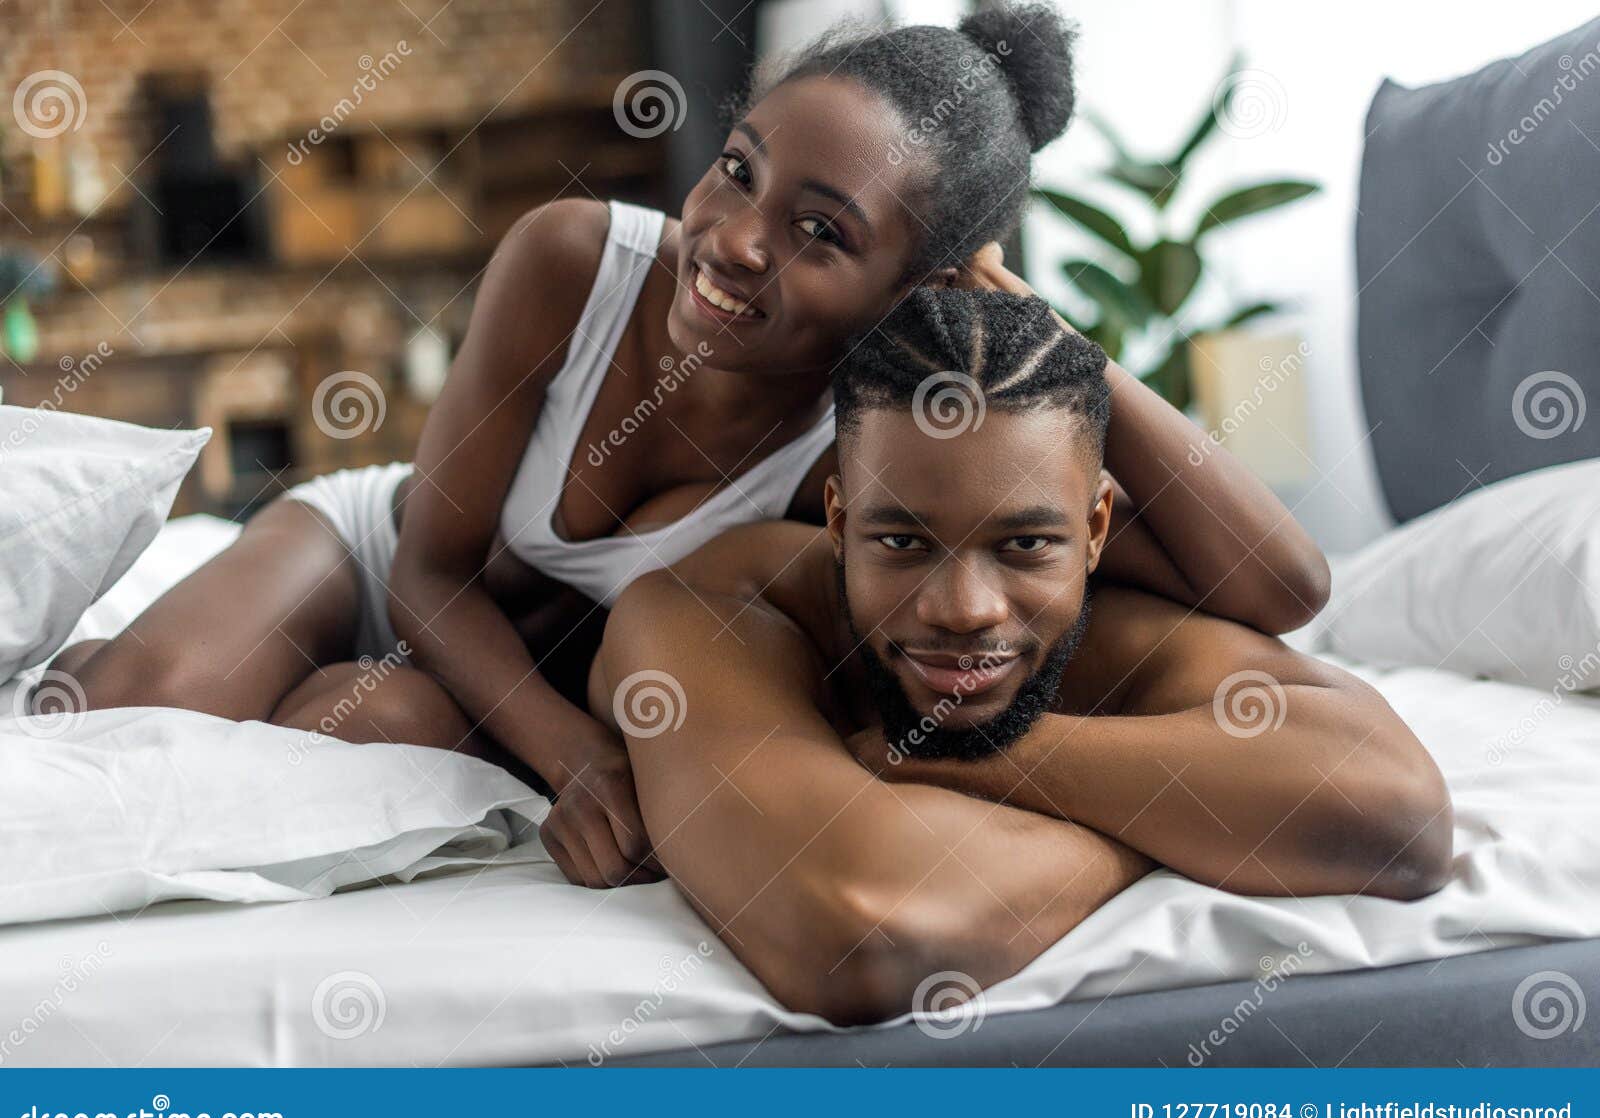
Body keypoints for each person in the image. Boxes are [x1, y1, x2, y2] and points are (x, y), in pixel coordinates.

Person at [40, 4, 1326, 885]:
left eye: (821, 234)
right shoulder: (572, 261)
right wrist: (578, 762)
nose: (732, 240)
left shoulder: (863, 453)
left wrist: (1053, 334)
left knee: (344, 737)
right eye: (737, 169)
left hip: (510, 686)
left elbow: (1282, 588)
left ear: (915, 288)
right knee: (114, 722)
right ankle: (97, 652)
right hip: (385, 557)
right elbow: (429, 571)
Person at [582, 288, 1451, 1024]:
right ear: (840, 525)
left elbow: (1399, 817)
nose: (966, 612)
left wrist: (945, 764)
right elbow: (861, 935)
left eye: (1027, 545)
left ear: (1096, 530)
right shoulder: (696, 613)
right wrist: (1174, 824)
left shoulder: (1096, 627)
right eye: (902, 543)